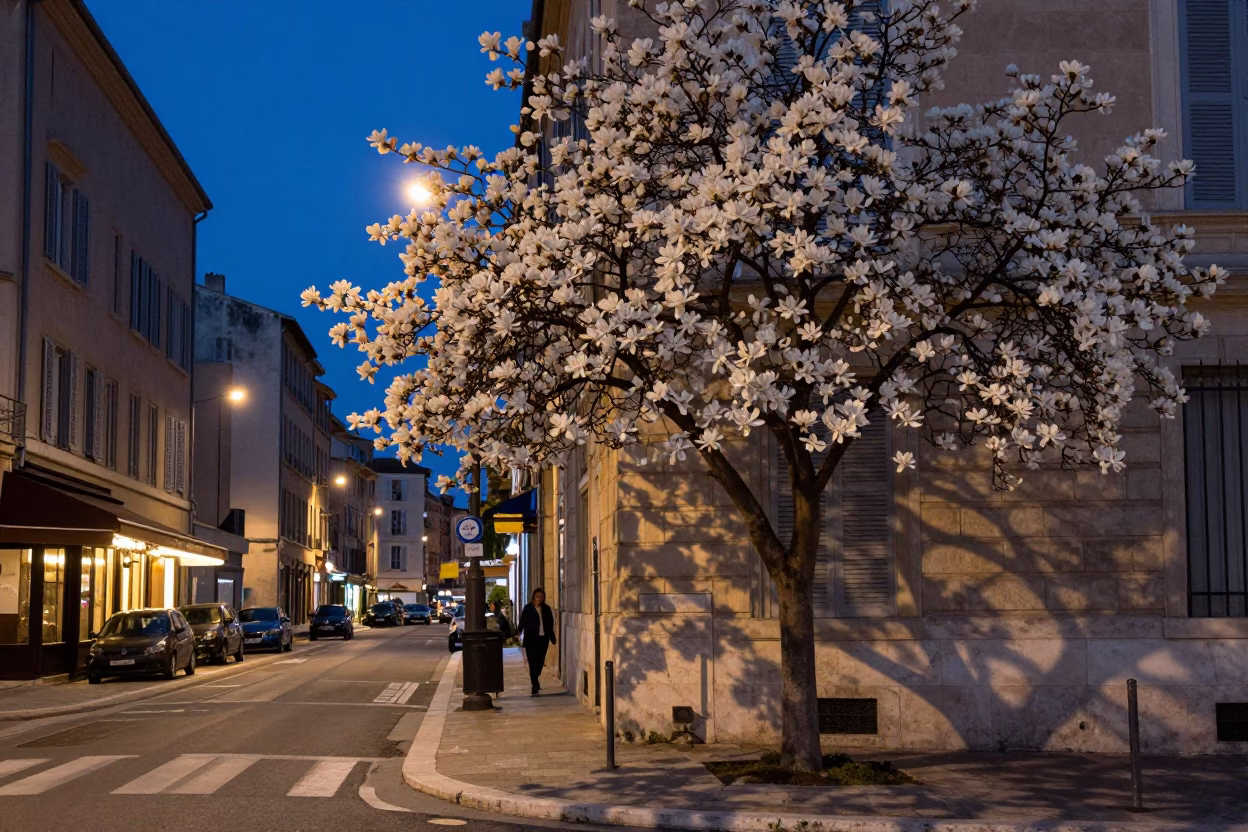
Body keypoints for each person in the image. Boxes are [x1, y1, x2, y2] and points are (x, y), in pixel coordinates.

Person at [517, 588, 556, 695]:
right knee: (532, 662)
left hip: (543, 639)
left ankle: (535, 678)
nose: (539, 598)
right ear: (534, 597)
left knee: (540, 662)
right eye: (537, 596)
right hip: (531, 639)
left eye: (541, 596)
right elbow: (523, 621)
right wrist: (519, 632)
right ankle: (534, 685)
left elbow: (550, 624)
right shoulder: (528, 608)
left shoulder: (547, 609)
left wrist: (552, 637)